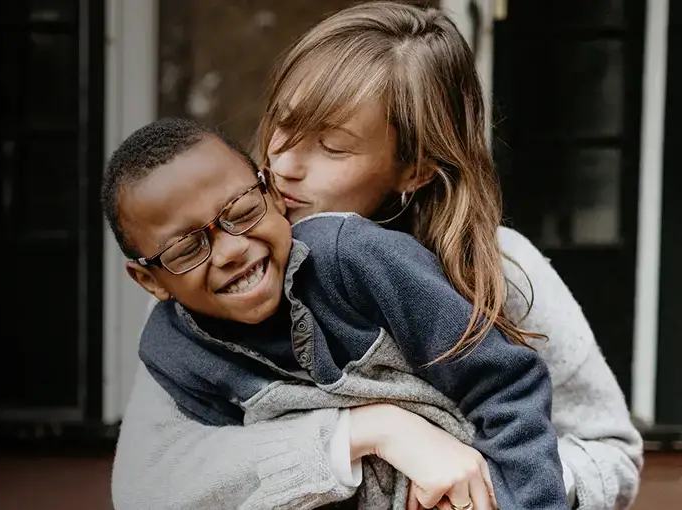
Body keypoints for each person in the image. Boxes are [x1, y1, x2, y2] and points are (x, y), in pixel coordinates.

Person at [111, 3, 643, 509]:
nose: (285, 164)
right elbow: (153, 480)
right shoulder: (209, 289)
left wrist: (486, 489)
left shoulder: (501, 269)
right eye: (284, 124)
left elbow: (611, 452)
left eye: (332, 146)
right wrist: (370, 433)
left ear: (412, 169)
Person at [102, 117, 565, 509]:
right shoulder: (174, 352)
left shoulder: (355, 258)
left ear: (272, 193)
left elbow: (505, 385)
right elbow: (219, 481)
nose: (230, 251)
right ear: (151, 280)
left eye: (241, 211)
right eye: (187, 248)